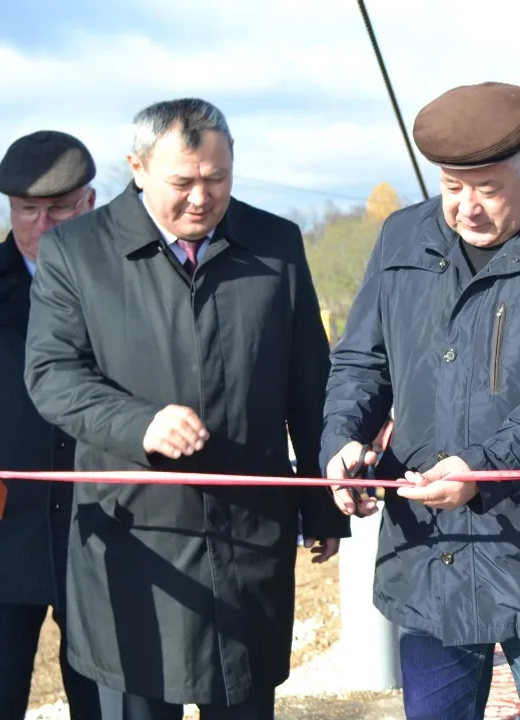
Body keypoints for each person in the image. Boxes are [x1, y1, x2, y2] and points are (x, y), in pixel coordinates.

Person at [22, 98, 348, 720]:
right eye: (182, 182)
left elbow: (310, 383)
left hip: (248, 538)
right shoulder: (76, 251)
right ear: (137, 168)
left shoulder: (275, 244)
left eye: (217, 178)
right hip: (134, 543)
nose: (202, 198)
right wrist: (139, 423)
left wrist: (321, 504)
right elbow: (52, 376)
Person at [319, 81, 520, 720]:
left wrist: (484, 468)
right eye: (452, 187)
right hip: (430, 547)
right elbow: (362, 360)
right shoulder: (401, 237)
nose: (467, 208)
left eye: (487, 189)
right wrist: (343, 438)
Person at [0, 131, 101, 720]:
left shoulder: (128, 291)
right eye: (26, 210)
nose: (42, 225)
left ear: (90, 203)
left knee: (105, 707)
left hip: (103, 542)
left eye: (60, 209)